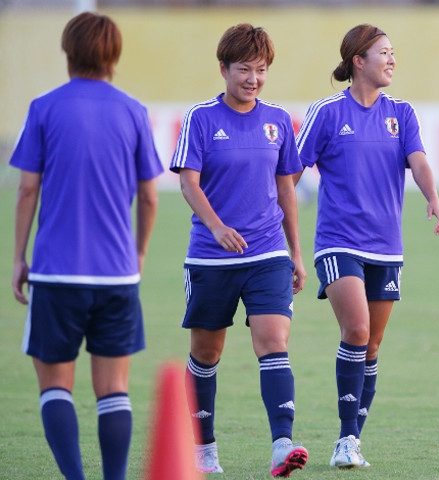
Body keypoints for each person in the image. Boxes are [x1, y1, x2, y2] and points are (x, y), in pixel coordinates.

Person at [10, 12, 163, 480]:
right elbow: (150, 195)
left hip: (56, 274)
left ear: (68, 50)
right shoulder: (134, 111)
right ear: (114, 55)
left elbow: (27, 190)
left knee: (55, 386)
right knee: (114, 390)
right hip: (116, 276)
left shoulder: (44, 108)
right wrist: (136, 253)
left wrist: (19, 256)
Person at [295, 23, 439, 468]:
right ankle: (344, 439)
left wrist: (433, 198)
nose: (392, 59)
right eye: (384, 52)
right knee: (357, 331)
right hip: (338, 241)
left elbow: (417, 159)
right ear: (358, 61)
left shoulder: (402, 112)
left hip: (387, 246)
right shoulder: (327, 112)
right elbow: (291, 169)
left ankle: (353, 441)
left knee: (373, 346)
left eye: (394, 52)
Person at [169, 23, 308, 478]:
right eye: (244, 69)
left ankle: (282, 445)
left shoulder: (277, 121)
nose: (253, 78)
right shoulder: (201, 119)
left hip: (267, 253)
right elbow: (188, 181)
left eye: (261, 70)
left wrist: (296, 254)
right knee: (207, 354)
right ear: (224, 69)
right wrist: (217, 226)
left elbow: (287, 190)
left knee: (274, 341)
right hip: (211, 256)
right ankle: (204, 449)